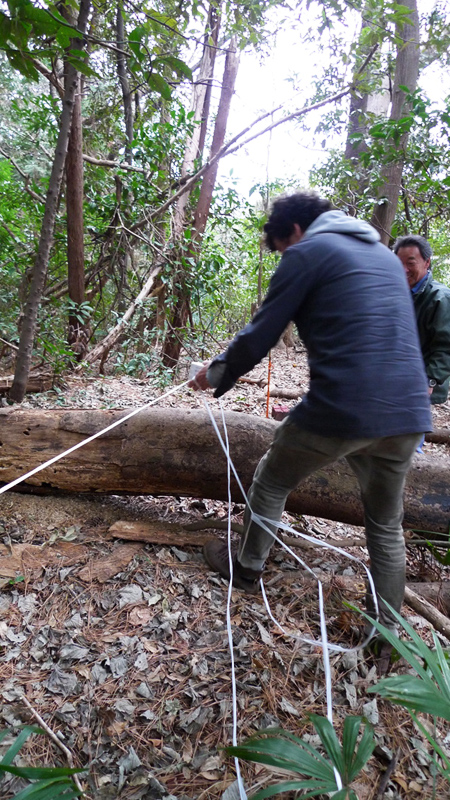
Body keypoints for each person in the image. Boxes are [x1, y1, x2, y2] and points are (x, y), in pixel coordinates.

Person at [189, 192, 431, 640]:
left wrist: (214, 373)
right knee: (385, 524)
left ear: (295, 231)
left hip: (343, 407)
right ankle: (387, 636)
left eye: (283, 247)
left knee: (271, 479)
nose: (286, 255)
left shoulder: (307, 252)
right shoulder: (383, 255)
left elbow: (261, 333)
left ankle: (246, 568)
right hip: (408, 411)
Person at [393, 234, 450, 405]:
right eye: (399, 263)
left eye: (410, 263)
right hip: (394, 380)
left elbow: (445, 346)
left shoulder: (440, 298)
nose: (404, 269)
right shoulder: (395, 292)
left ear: (427, 262)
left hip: (420, 386)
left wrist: (430, 379)